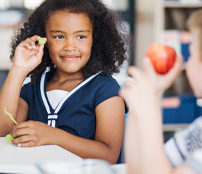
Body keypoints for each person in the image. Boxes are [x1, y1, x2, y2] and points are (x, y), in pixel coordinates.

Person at [0, 0, 128, 164]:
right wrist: (18, 69)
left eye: (81, 36)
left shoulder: (105, 89)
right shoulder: (32, 89)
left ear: (95, 39)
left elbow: (108, 155)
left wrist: (52, 136)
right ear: (43, 39)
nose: (70, 46)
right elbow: (3, 132)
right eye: (59, 36)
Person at [120, 0, 202, 173]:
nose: (186, 63)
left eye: (191, 54)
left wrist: (149, 111)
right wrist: (140, 107)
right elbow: (138, 168)